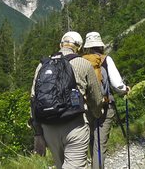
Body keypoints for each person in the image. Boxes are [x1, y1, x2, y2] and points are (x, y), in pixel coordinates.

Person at [31, 31, 104, 169]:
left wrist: (38, 133)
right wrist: (97, 114)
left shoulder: (42, 65)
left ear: (60, 44)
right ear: (80, 47)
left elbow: (34, 99)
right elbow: (96, 98)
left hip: (49, 128)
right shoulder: (83, 64)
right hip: (75, 125)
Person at [81, 31, 130, 169]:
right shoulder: (106, 60)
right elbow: (117, 84)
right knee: (100, 144)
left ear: (87, 46)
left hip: (86, 108)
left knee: (91, 141)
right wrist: (125, 89)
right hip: (105, 106)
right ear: (100, 45)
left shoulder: (80, 61)